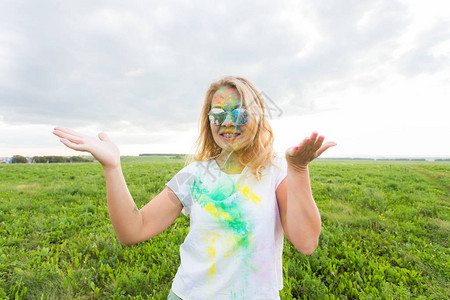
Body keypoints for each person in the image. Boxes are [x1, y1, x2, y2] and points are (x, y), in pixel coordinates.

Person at [53, 76, 336, 299]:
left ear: (257, 117)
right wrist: (112, 167)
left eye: (238, 113)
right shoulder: (194, 176)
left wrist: (299, 169)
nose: (227, 122)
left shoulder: (275, 171)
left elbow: (307, 242)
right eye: (217, 114)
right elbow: (132, 230)